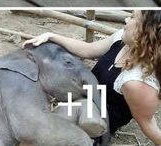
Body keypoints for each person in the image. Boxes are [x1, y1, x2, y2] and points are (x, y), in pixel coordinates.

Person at [24, 10, 161, 145]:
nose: (126, 20)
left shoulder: (137, 82)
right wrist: (51, 36)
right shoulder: (123, 39)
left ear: (146, 30)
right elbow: (88, 49)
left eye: (132, 17)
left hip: (94, 127)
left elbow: (148, 124)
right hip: (79, 102)